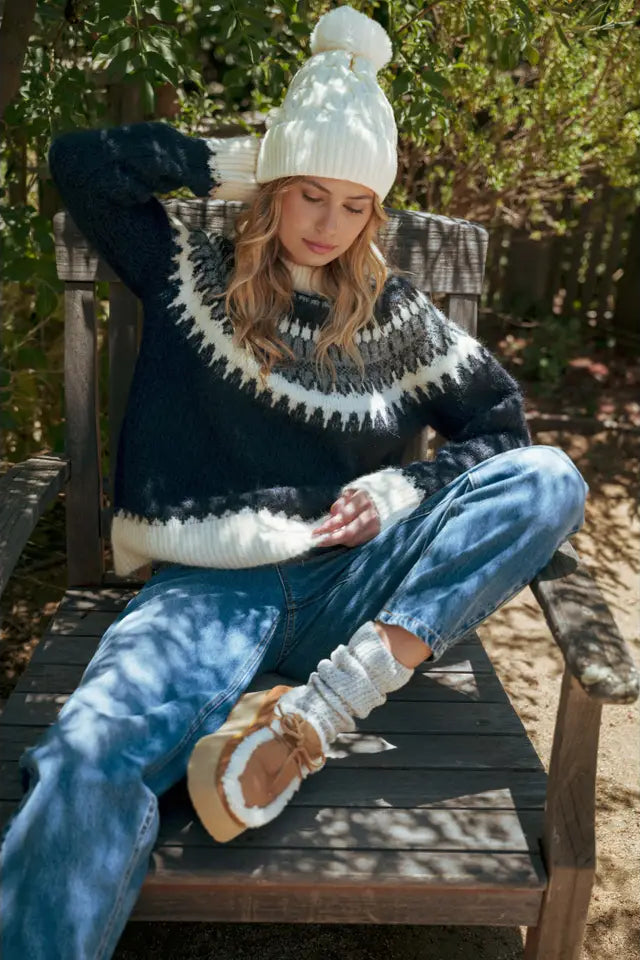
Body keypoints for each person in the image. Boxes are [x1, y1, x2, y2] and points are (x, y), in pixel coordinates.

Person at [0, 5, 588, 957]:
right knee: (85, 759)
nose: (329, 224)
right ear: (272, 190)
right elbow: (83, 161)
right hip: (208, 592)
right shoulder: (184, 270)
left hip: (352, 592)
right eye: (309, 193)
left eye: (356, 204)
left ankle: (321, 711)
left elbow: (504, 435)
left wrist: (402, 493)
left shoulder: (397, 319)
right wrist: (249, 156)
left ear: (377, 214)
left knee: (552, 477)